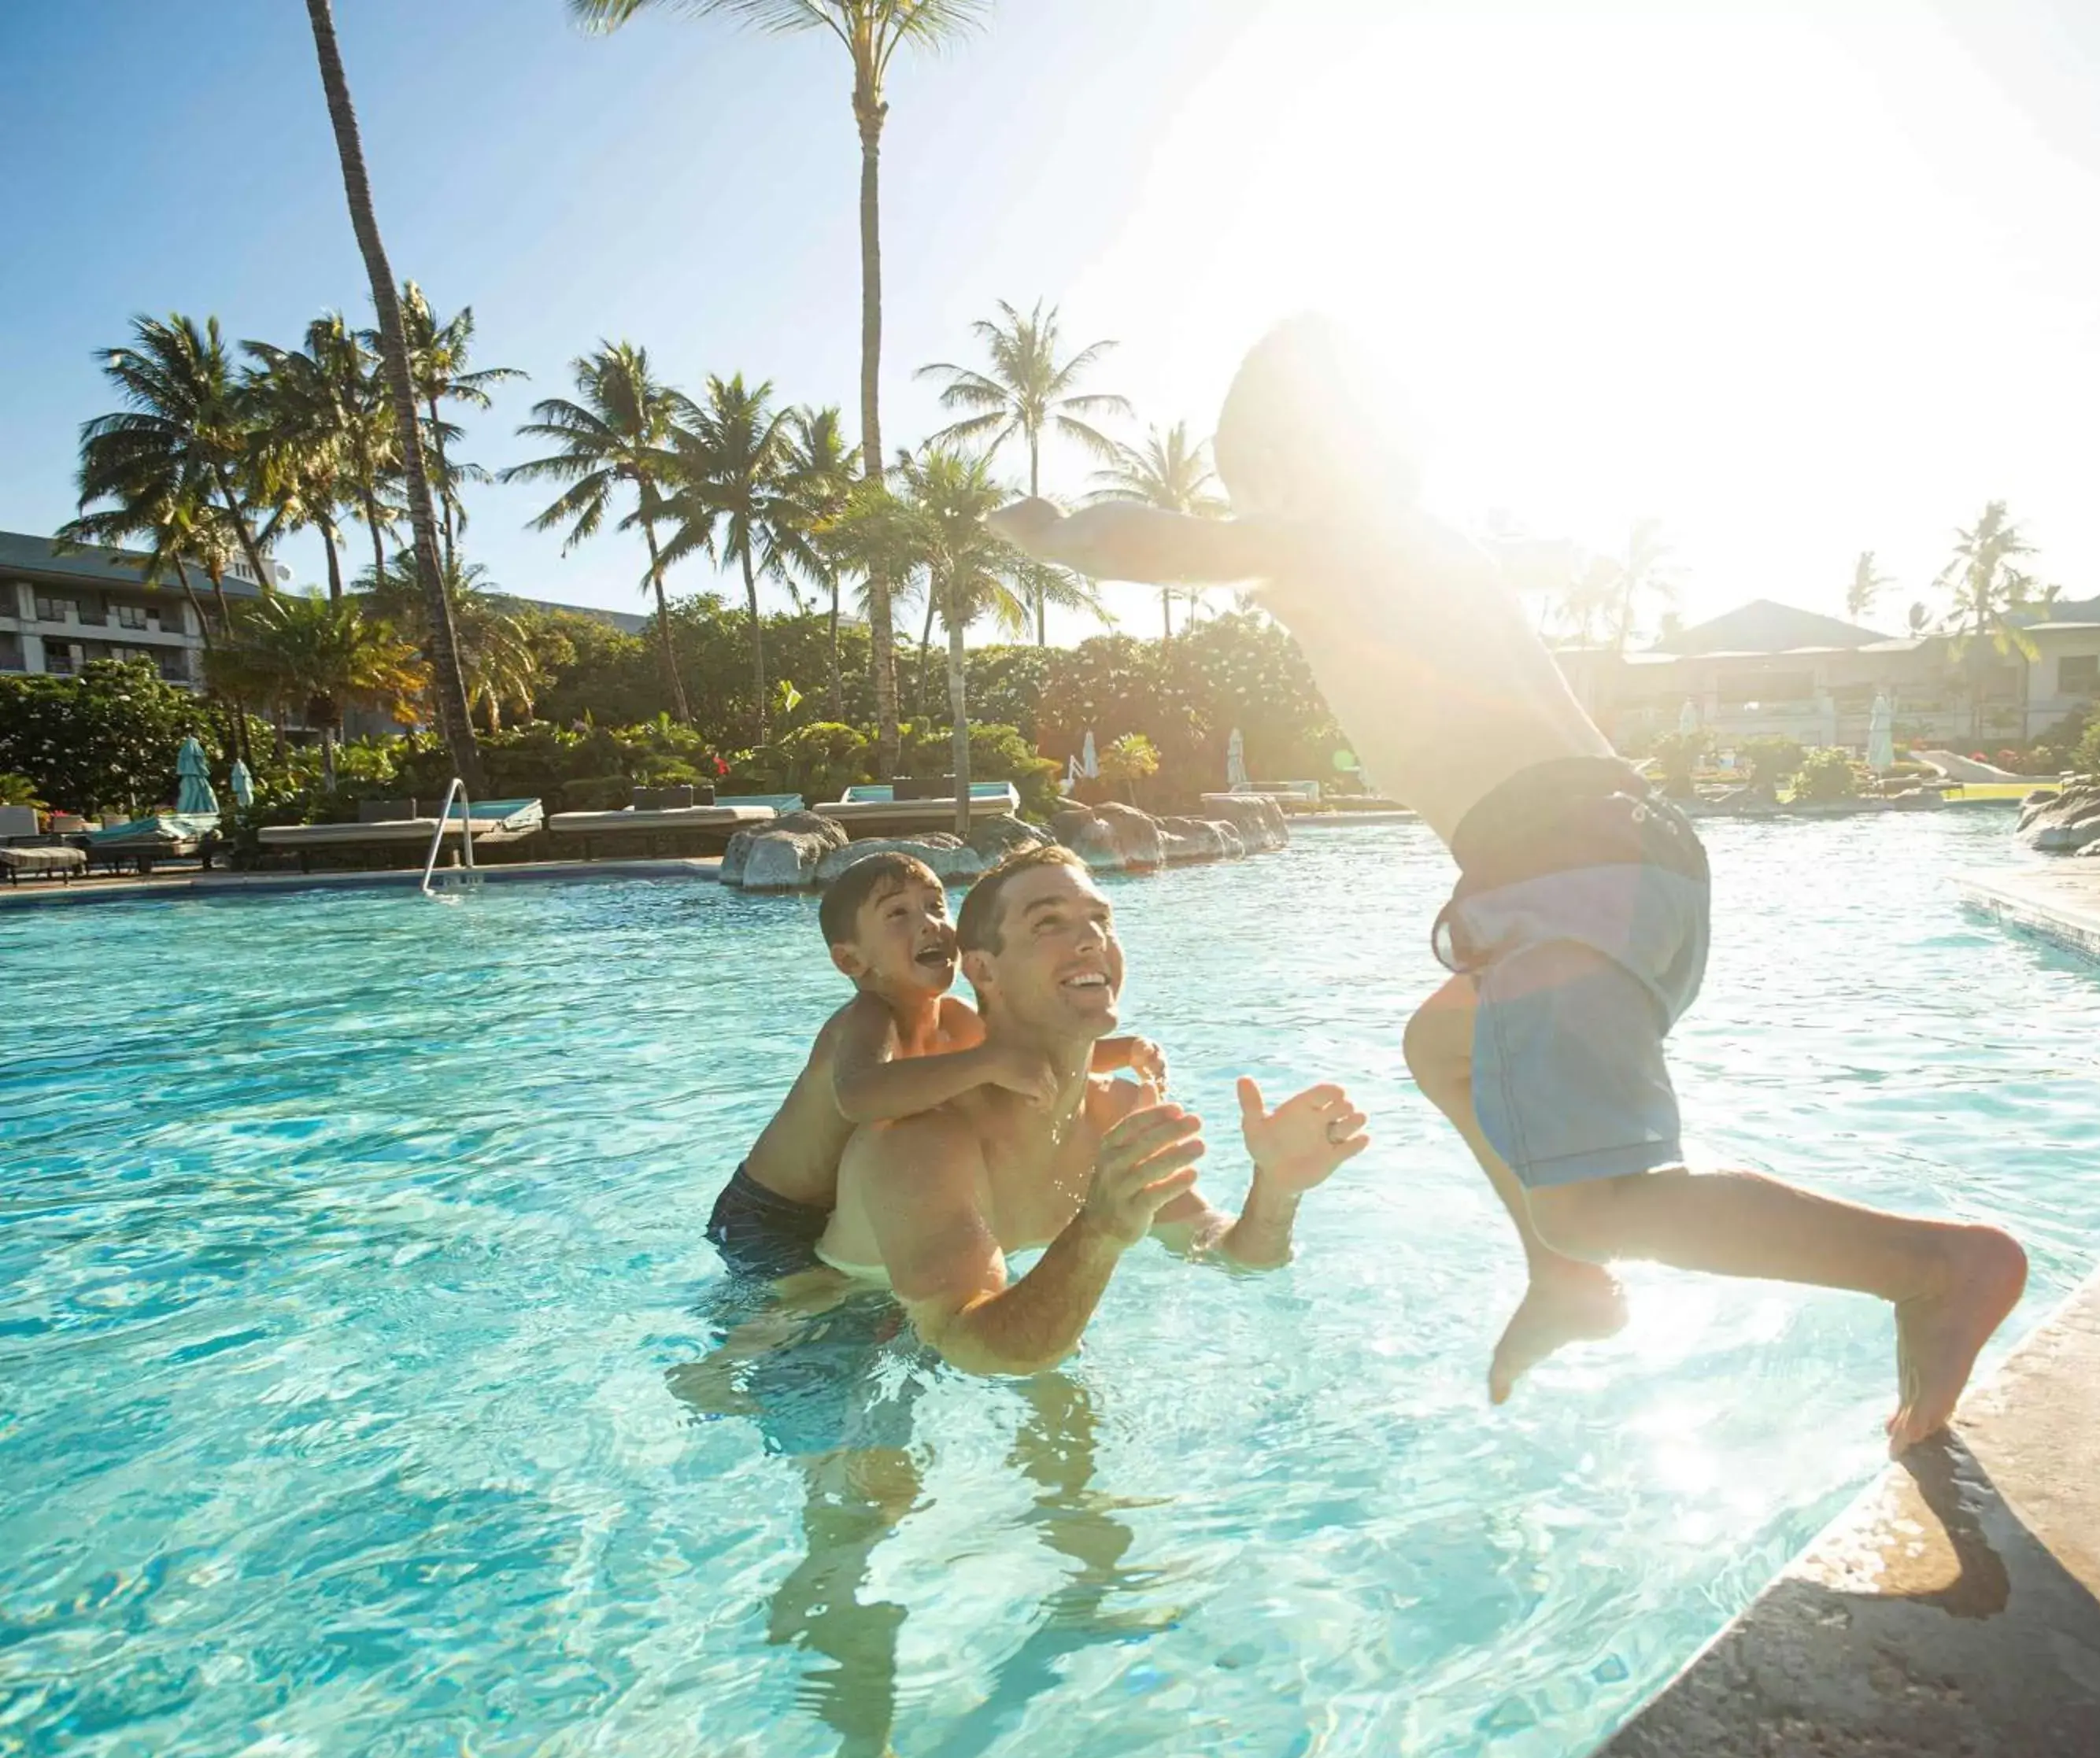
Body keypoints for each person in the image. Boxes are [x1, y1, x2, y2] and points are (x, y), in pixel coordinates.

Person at [986, 318, 2028, 1455]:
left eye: (1248, 483)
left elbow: (1140, 542)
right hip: (1614, 860)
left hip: (1567, 866)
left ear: (1298, 461)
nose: (1246, 520)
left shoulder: (1336, 539)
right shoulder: (1415, 546)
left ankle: (1931, 1265)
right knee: (1443, 1048)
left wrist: (1046, 528)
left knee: (1599, 1189)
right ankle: (1566, 1277)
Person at [818, 843, 1371, 1374]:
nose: (1090, 940)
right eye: (1048, 922)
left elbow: (1228, 1254)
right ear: (983, 971)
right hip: (830, 1329)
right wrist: (1099, 1232)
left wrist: (1276, 1189)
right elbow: (966, 1348)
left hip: (991, 1318)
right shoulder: (918, 1144)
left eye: (1100, 919)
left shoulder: (1119, 1112)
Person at [704, 849, 1162, 1280]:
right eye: (898, 914)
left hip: (858, 1208)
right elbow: (859, 1095)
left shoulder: (957, 1016)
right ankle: (719, 1364)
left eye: (936, 906)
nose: (928, 924)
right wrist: (985, 1063)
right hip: (770, 1213)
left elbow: (1020, 1060)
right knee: (793, 1317)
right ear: (851, 959)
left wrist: (1124, 1050)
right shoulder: (869, 1016)